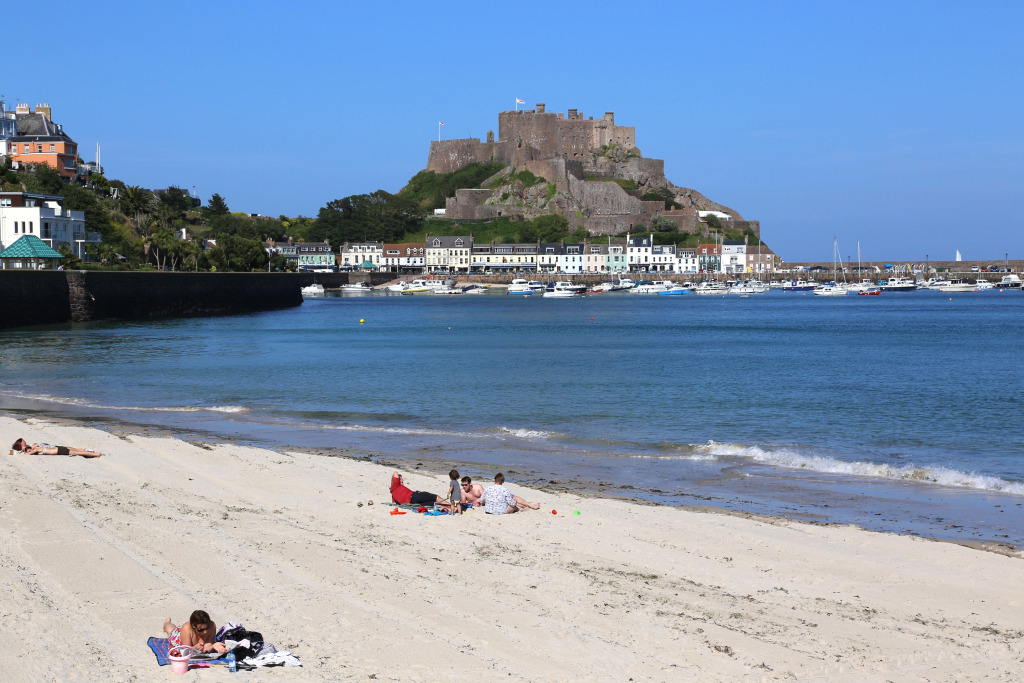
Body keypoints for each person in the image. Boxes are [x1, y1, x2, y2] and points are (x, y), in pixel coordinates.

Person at [12, 438, 103, 458]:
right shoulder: (35, 449)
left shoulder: (36, 449)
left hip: (58, 451)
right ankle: (95, 454)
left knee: (79, 453)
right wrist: (25, 452)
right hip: (58, 450)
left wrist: (25, 452)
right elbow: (28, 453)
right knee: (79, 453)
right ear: (21, 443)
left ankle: (96, 454)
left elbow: (27, 453)